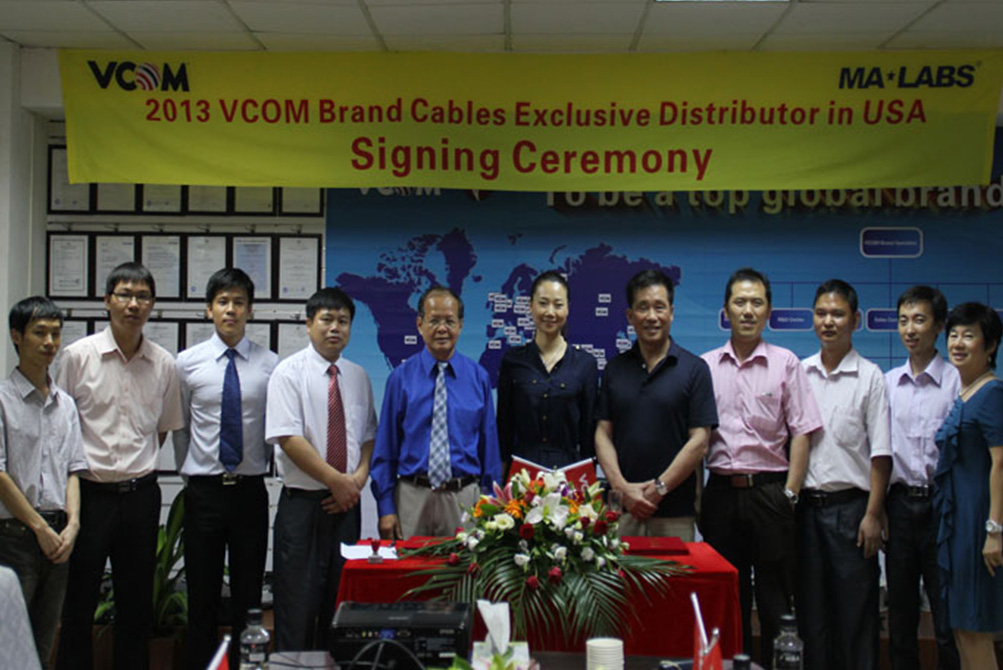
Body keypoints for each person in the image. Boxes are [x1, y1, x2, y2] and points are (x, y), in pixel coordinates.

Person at [54, 262, 184, 670]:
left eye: (143, 297)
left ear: (152, 305)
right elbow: (59, 427)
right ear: (107, 300)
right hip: (89, 495)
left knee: (136, 602)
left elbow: (161, 431)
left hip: (140, 495)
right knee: (79, 600)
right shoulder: (77, 357)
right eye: (125, 295)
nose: (133, 304)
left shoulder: (163, 364)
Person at [699, 268, 822, 668]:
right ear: (726, 311)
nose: (748, 311)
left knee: (774, 599)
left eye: (756, 303)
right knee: (728, 599)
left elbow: (802, 432)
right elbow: (696, 439)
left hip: (771, 494)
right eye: (740, 302)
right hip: (720, 493)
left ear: (768, 311)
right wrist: (700, 498)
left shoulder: (786, 363)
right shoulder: (705, 367)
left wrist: (790, 494)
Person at [174, 268, 278, 669]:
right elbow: (182, 428)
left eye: (238, 302)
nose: (230, 310)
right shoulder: (187, 364)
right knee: (201, 594)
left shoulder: (270, 364)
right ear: (209, 309)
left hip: (250, 490)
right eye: (222, 302)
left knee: (249, 596)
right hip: (204, 492)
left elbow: (273, 429)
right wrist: (191, 474)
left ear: (250, 310)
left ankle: (245, 665)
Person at [265, 287, 377, 651]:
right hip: (303, 507)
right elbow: (288, 438)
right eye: (326, 320)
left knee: (341, 609)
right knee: (296, 610)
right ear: (309, 324)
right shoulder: (288, 373)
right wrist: (337, 481)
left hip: (346, 508)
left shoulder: (358, 376)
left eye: (343, 321)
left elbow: (368, 436)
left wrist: (357, 479)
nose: (334, 328)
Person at [797, 279, 891, 670]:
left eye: (837, 314)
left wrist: (873, 515)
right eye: (821, 313)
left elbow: (881, 456)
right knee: (811, 617)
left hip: (852, 512)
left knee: (855, 617)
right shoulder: (799, 373)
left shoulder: (870, 377)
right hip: (805, 512)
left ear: (856, 320)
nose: (828, 321)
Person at [594, 269, 717, 541]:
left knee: (675, 572)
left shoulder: (695, 369)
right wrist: (622, 488)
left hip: (675, 512)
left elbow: (700, 441)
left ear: (671, 313)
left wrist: (659, 489)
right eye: (643, 307)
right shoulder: (615, 369)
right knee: (617, 570)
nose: (652, 316)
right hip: (622, 511)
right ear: (630, 316)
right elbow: (602, 433)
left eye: (659, 307)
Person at [371, 286, 502, 540]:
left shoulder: (478, 378)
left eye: (449, 321)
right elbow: (386, 447)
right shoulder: (400, 379)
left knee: (463, 567)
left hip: (464, 499)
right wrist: (385, 507)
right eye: (434, 321)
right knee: (408, 565)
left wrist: (490, 503)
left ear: (460, 326)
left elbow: (489, 449)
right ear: (419, 324)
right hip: (412, 497)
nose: (442, 329)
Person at [0, 297, 87, 669]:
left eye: (55, 333)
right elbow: (0, 475)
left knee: (44, 639)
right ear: (17, 337)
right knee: (9, 644)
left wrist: (73, 525)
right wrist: (38, 528)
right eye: (40, 333)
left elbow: (73, 469)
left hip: (58, 537)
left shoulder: (66, 404)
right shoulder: (2, 399)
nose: (50, 342)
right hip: (15, 536)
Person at [885, 286, 960, 670]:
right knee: (900, 614)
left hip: (942, 507)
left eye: (919, 320)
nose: (910, 329)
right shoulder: (887, 383)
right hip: (898, 506)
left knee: (946, 616)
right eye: (903, 321)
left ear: (939, 326)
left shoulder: (957, 382)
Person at [933, 302, 1003, 669]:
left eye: (969, 335)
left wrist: (994, 530)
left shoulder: (992, 394)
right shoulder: (966, 392)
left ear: (990, 346)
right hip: (958, 523)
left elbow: (1001, 463)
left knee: (975, 627)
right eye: (954, 335)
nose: (958, 343)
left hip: (979, 524)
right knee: (961, 627)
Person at [496, 270, 598, 475]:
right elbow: (504, 426)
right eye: (543, 303)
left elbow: (589, 432)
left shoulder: (585, 364)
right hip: (522, 475)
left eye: (558, 305)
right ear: (531, 306)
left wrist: (588, 479)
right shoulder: (513, 361)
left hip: (569, 476)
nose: (550, 312)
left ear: (567, 309)